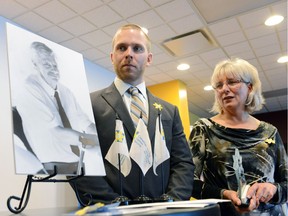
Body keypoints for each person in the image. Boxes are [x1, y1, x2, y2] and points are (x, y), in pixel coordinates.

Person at [70, 24, 194, 204]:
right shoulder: (88, 105)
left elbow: (183, 163)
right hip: (109, 212)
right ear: (112, 57)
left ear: (149, 58)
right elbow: (80, 163)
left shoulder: (170, 111)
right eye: (122, 48)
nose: (129, 53)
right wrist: (114, 205)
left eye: (137, 48)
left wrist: (171, 202)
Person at [189, 58, 287, 216]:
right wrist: (224, 194)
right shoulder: (204, 129)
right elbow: (188, 182)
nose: (225, 89)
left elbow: (286, 183)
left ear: (249, 87)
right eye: (219, 85)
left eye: (232, 82)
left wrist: (273, 189)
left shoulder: (270, 131)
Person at [15, 41, 98, 175]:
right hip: (51, 168)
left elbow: (85, 122)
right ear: (35, 66)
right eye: (47, 65)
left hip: (78, 164)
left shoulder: (65, 91)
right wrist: (94, 141)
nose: (54, 69)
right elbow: (57, 134)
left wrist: (102, 139)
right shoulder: (29, 88)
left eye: (55, 65)